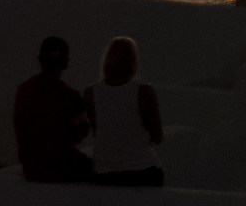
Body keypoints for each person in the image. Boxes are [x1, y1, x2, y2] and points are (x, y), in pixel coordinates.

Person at [85, 35, 165, 187]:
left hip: (104, 172)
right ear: (133, 62)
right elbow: (157, 137)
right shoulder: (144, 92)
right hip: (142, 171)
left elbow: (98, 131)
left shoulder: (91, 93)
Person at [12, 36, 93, 184]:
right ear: (66, 63)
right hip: (63, 168)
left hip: (32, 169)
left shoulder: (23, 90)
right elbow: (79, 134)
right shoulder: (71, 96)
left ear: (40, 60)